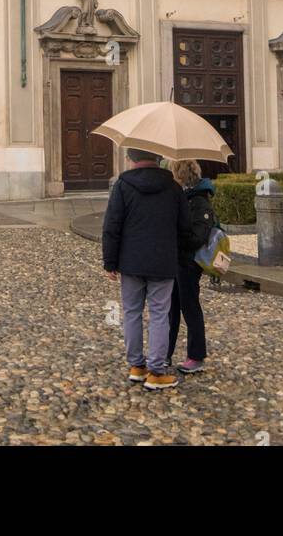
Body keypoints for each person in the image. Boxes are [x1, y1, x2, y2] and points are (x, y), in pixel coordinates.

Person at [102, 146, 194, 391]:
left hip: (130, 262)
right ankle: (156, 370)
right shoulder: (173, 188)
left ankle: (136, 366)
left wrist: (109, 262)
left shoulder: (122, 186)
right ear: (158, 157)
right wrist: (181, 257)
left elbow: (112, 225)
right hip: (162, 262)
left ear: (130, 158)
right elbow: (185, 228)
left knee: (131, 313)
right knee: (159, 314)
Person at [167, 159, 216, 374]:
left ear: (182, 176)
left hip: (189, 263)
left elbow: (197, 237)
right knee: (170, 310)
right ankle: (164, 353)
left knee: (190, 308)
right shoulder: (182, 198)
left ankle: (196, 356)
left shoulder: (199, 201)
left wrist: (176, 234)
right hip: (176, 260)